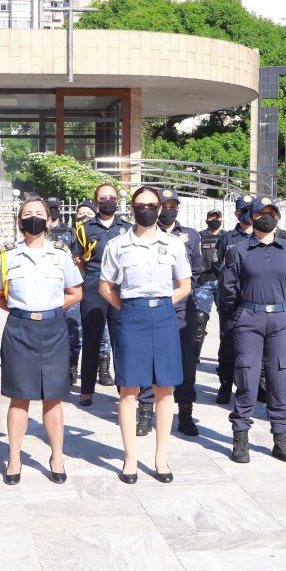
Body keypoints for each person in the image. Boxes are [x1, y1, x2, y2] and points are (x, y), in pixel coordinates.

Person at [99, 186, 192, 484]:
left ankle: (160, 457)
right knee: (129, 389)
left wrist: (162, 306)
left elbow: (185, 285)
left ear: (161, 208)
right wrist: (128, 309)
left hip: (164, 316)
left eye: (152, 205)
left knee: (165, 388)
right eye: (141, 205)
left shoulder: (174, 244)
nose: (147, 210)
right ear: (132, 208)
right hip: (131, 315)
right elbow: (105, 286)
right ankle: (130, 458)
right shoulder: (118, 245)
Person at [0, 198, 83, 484]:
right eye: (27, 214)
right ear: (19, 222)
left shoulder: (61, 254)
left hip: (54, 328)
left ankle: (57, 455)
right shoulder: (7, 256)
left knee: (53, 398)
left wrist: (51, 310)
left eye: (38, 214)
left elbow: (75, 292)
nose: (33, 218)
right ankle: (15, 457)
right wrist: (22, 312)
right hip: (19, 329)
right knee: (19, 398)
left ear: (48, 219)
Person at [220, 197, 286, 462]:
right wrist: (241, 313)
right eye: (260, 213)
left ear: (277, 217)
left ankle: (281, 439)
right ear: (251, 217)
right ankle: (241, 438)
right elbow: (227, 287)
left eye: (271, 213)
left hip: (279, 320)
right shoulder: (239, 249)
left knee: (279, 379)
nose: (266, 217)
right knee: (247, 378)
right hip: (249, 318)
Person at [135, 189, 204, 437]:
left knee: (186, 361)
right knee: (149, 359)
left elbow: (196, 271)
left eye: (174, 205)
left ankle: (185, 412)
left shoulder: (191, 236)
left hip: (182, 306)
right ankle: (145, 410)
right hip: (151, 307)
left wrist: (179, 290)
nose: (169, 209)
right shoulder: (142, 235)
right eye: (165, 205)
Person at [71, 183, 131, 405]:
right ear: (96, 202)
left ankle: (124, 387)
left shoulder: (127, 228)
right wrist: (90, 279)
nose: (108, 201)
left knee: (121, 339)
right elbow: (78, 258)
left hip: (119, 287)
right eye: (103, 198)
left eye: (112, 197)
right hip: (94, 285)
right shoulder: (85, 229)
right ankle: (86, 389)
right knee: (91, 339)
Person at [214, 195, 256, 404]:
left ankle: (257, 384)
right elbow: (216, 265)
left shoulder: (262, 236)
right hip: (231, 300)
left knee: (256, 346)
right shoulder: (227, 238)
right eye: (243, 210)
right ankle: (225, 383)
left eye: (251, 209)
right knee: (229, 344)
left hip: (255, 299)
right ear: (236, 213)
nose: (247, 213)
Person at [46, 197, 82, 385]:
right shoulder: (39, 231)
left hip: (67, 286)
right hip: (47, 287)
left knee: (73, 329)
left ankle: (71, 365)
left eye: (56, 207)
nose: (53, 210)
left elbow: (77, 258)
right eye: (50, 207)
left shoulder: (69, 231)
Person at [193, 208, 223, 362]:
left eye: (217, 217)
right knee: (199, 318)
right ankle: (194, 355)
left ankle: (226, 354)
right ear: (206, 220)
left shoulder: (227, 237)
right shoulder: (199, 237)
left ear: (221, 219)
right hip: (204, 281)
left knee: (227, 319)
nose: (214, 219)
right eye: (211, 216)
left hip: (223, 282)